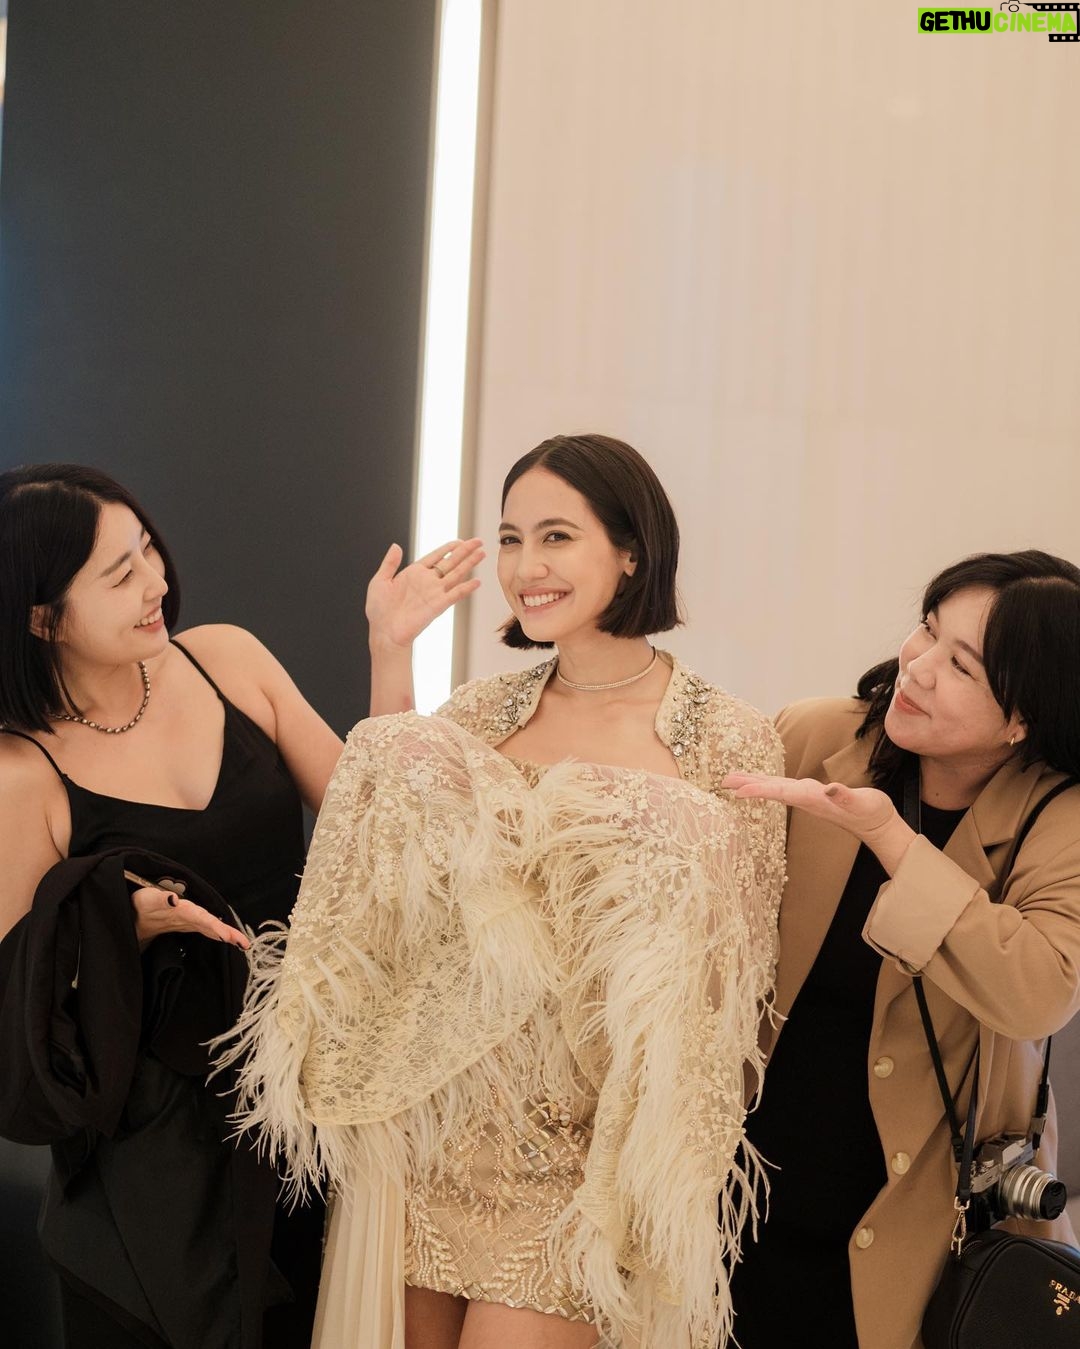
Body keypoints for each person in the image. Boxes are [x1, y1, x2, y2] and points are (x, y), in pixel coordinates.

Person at [223, 433, 788, 1349]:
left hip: (584, 1161)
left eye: (557, 536)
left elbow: (741, 980)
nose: (527, 568)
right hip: (437, 1130)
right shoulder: (482, 712)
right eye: (513, 538)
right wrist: (390, 648)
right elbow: (392, 859)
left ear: (632, 550)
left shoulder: (728, 736)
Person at [0, 462, 481, 1349]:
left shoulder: (227, 658)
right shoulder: (21, 772)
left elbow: (379, 828)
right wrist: (120, 924)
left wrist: (390, 648)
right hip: (157, 1172)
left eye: (147, 549)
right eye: (119, 574)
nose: (156, 582)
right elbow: (21, 1001)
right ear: (42, 618)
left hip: (316, 1103)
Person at [723, 550, 1080, 1349]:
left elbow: (1039, 991)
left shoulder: (1059, 817)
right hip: (740, 1197)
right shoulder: (815, 735)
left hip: (912, 1231)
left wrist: (892, 839)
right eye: (927, 630)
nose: (916, 666)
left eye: (961, 665)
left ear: (1022, 718)